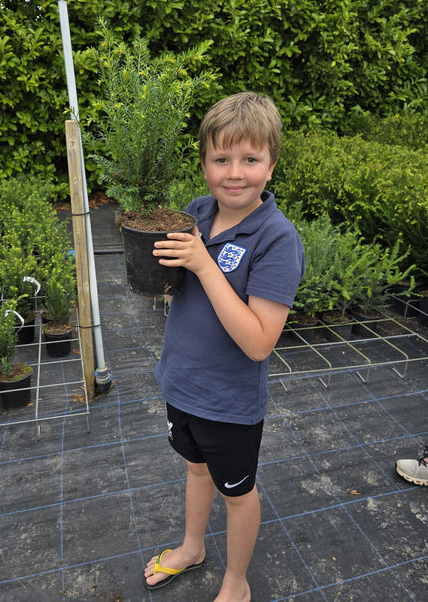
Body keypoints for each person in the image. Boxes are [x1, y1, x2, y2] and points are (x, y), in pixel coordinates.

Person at [144, 92, 306, 602]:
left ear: (271, 166)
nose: (235, 173)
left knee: (237, 493)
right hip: (181, 384)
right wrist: (166, 275)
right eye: (221, 159)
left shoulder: (276, 240)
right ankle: (193, 547)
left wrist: (202, 264)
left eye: (250, 159)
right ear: (204, 164)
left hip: (230, 404)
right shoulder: (197, 214)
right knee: (195, 469)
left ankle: (237, 584)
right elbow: (183, 288)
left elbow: (259, 342)